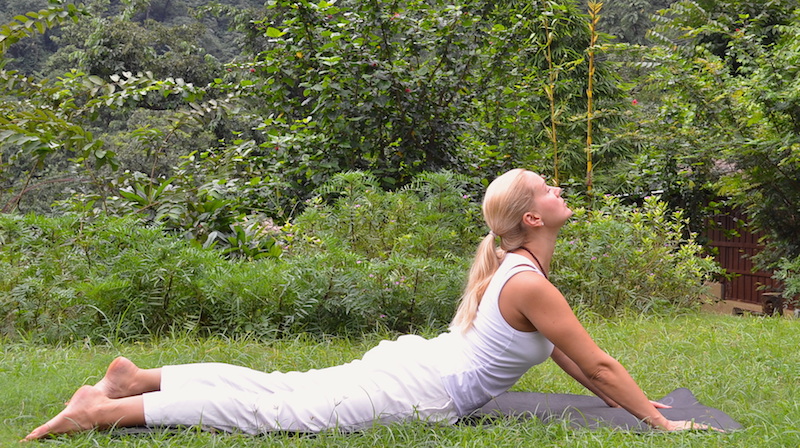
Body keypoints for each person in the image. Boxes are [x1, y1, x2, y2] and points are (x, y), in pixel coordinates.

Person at [23, 169, 705, 441]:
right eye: (548, 188)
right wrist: (657, 422)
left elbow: (576, 364)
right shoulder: (527, 280)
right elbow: (601, 363)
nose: (559, 191)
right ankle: (108, 409)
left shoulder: (520, 270)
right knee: (276, 409)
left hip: (420, 370)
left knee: (282, 389)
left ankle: (139, 379)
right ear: (532, 220)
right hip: (424, 386)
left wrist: (639, 409)